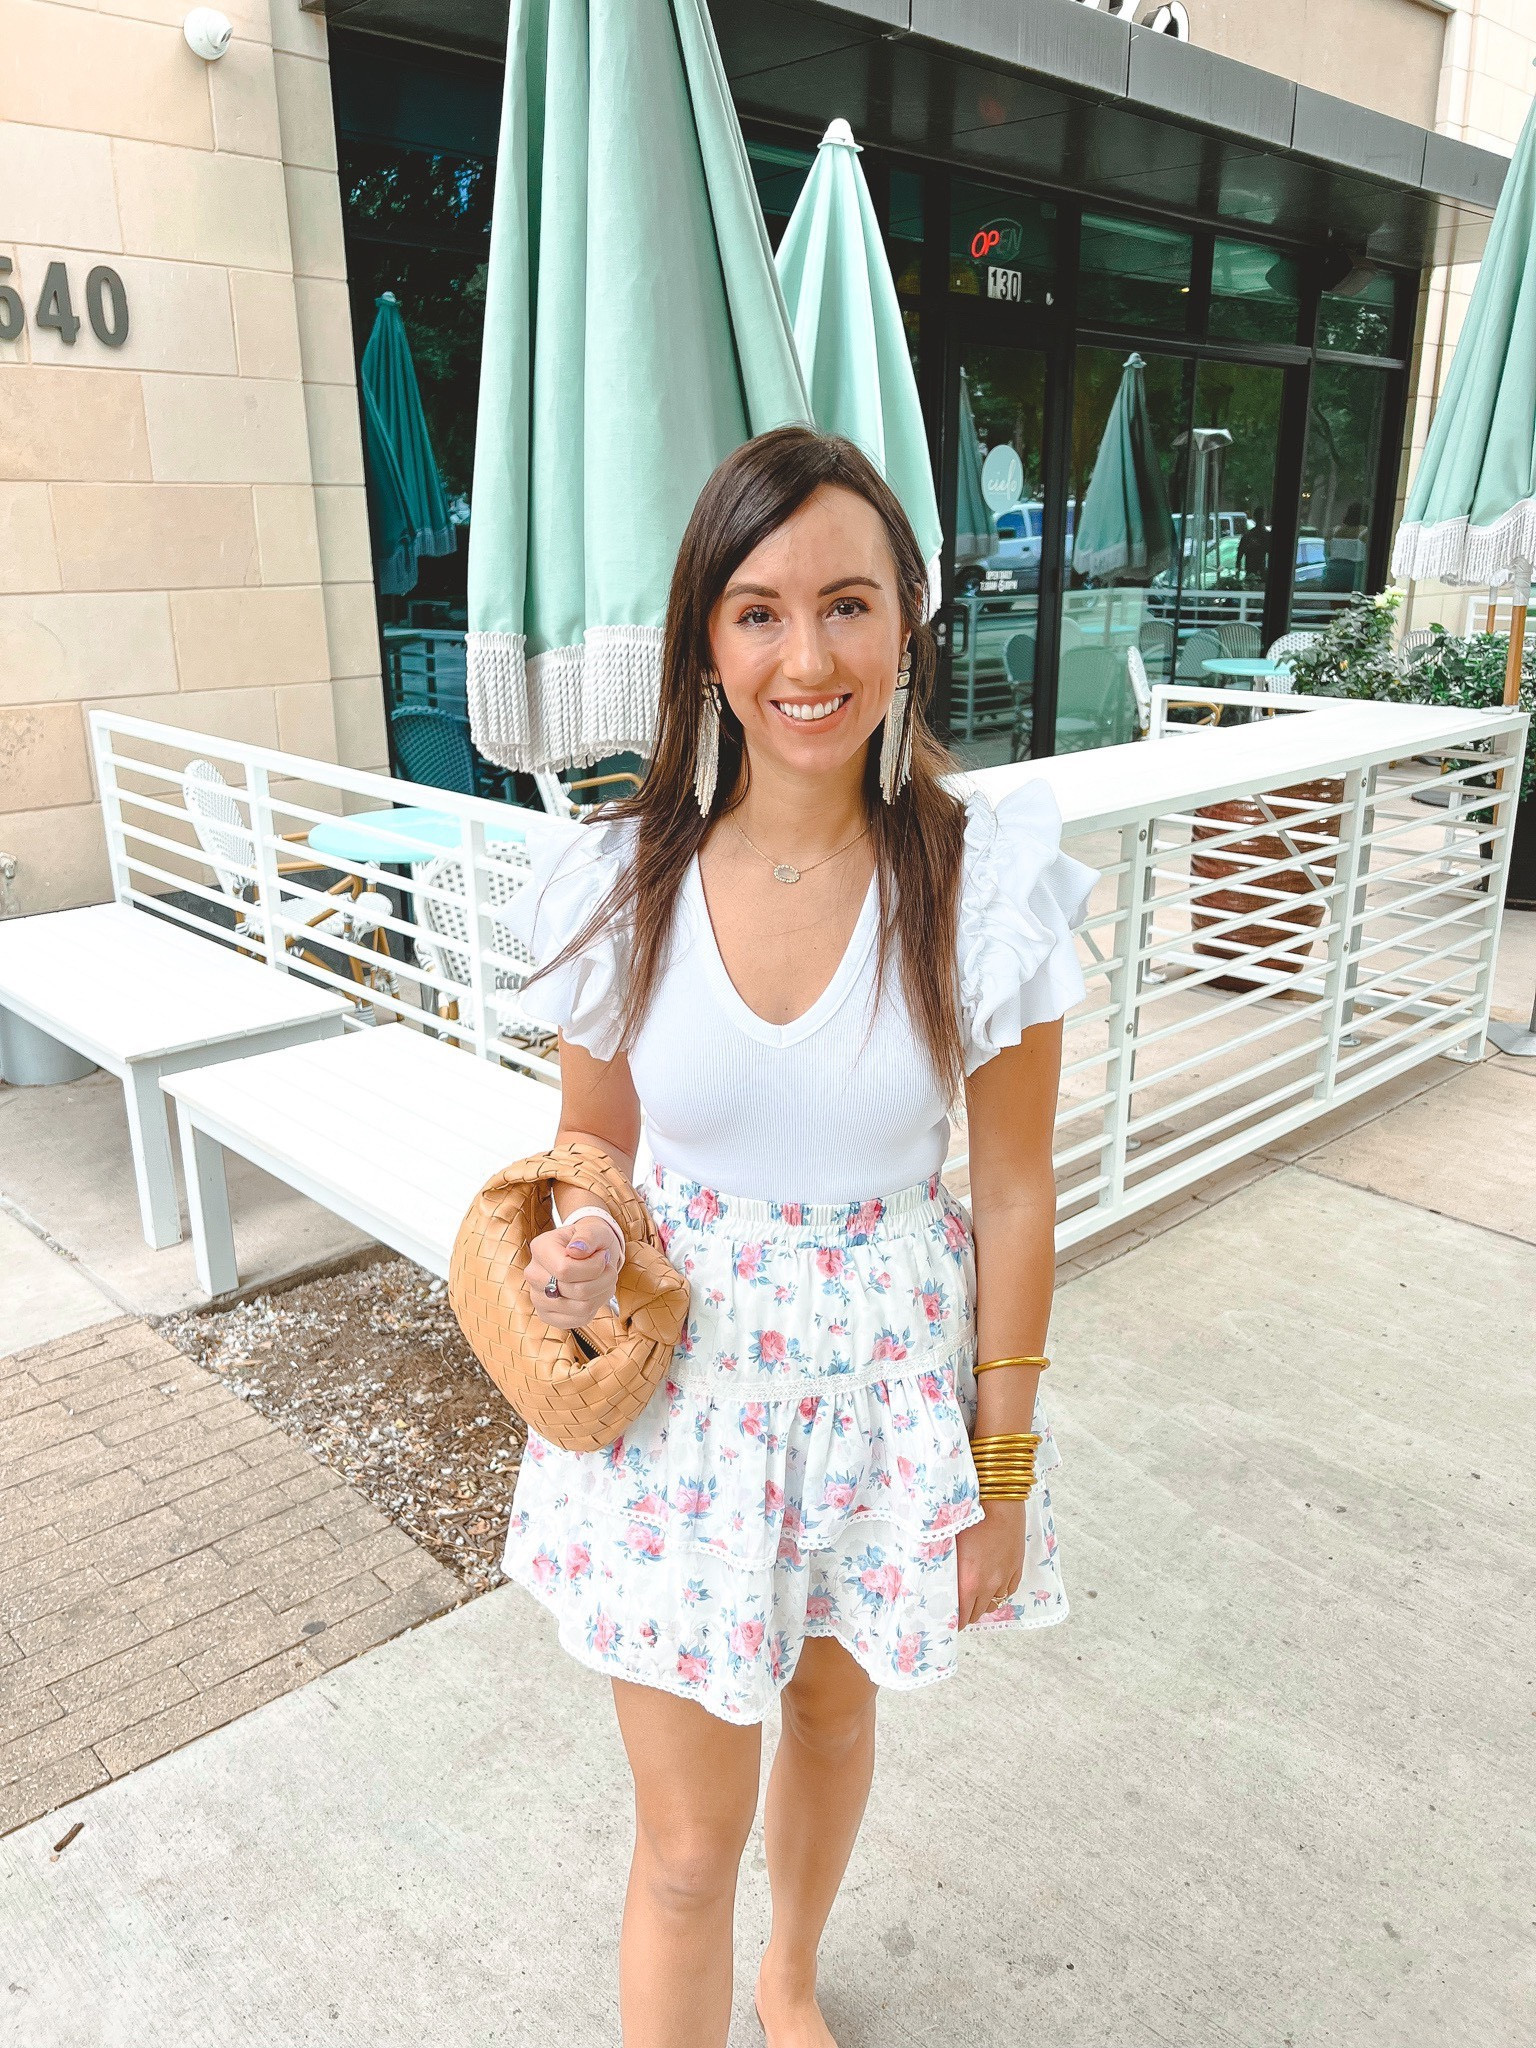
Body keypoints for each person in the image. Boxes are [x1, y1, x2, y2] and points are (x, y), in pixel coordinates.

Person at [501, 426, 1096, 2048]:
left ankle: (791, 1973)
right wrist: (572, 1245)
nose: (806, 653)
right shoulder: (617, 881)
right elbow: (590, 1157)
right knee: (685, 1847)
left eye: (846, 603)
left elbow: (1020, 1191)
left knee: (832, 1712)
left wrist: (1005, 1470)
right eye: (758, 610)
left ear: (909, 616)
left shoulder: (986, 886)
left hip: (882, 1402)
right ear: (706, 636)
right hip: (680, 1417)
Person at [1237, 504, 1269, 585]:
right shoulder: (1266, 535)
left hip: (1250, 573)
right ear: (1264, 518)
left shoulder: (1247, 535)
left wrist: (1238, 569)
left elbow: (1239, 555)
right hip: (1261, 573)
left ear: (1254, 518)